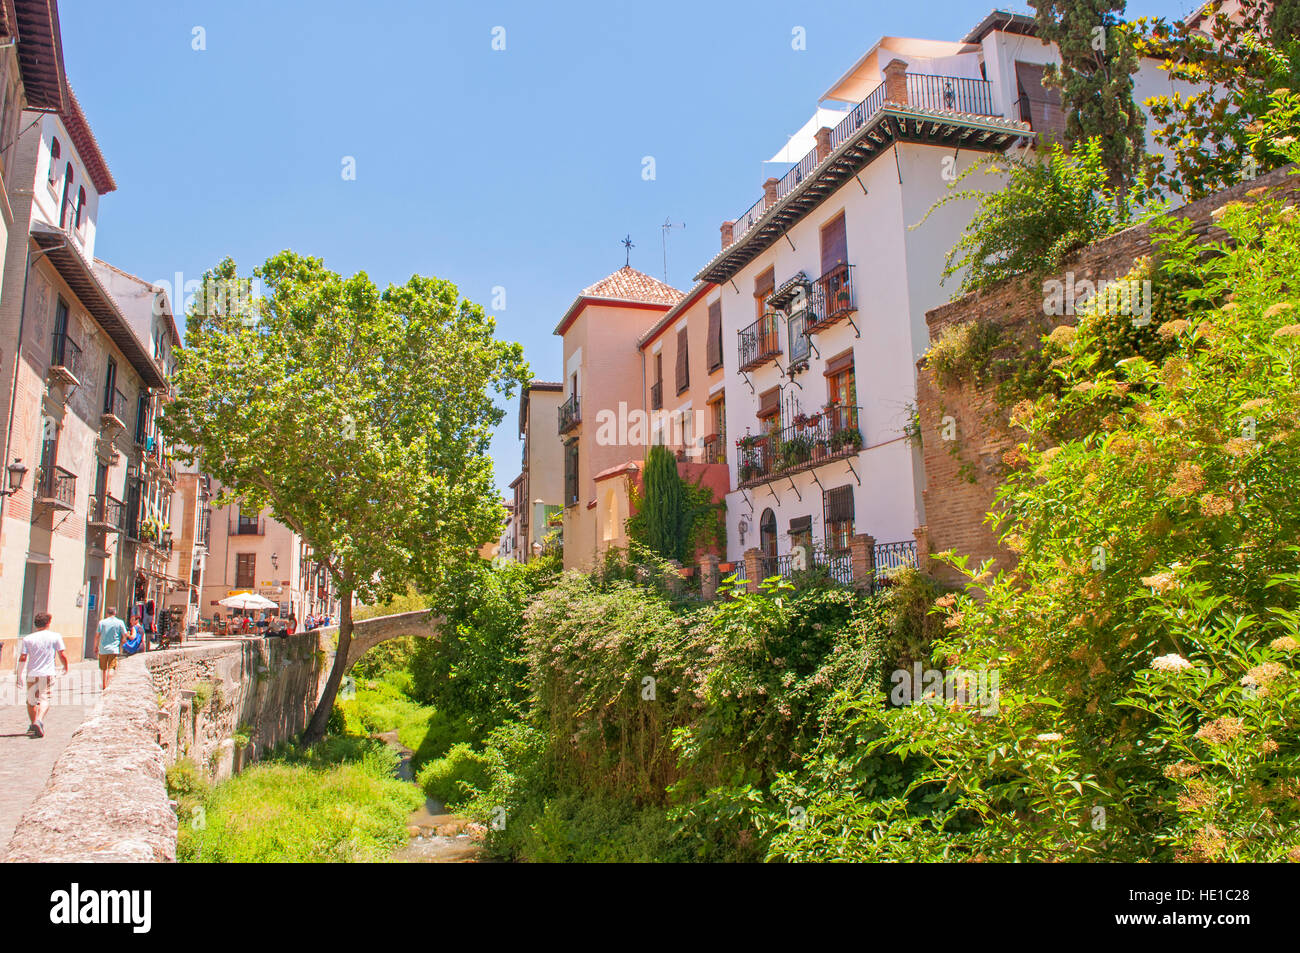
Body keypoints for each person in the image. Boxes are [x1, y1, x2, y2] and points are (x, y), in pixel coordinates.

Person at [14, 611, 68, 738]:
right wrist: (65, 667)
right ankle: (39, 720)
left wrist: (19, 675)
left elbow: (22, 658)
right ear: (48, 623)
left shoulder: (28, 638)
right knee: (45, 698)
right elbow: (62, 654)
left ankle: (33, 724)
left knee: (31, 700)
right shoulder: (55, 636)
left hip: (32, 673)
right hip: (48, 673)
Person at [96, 606, 127, 690]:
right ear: (115, 613)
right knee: (111, 668)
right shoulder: (120, 622)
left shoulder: (102, 622)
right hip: (114, 649)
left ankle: (103, 685)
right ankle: (108, 684)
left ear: (107, 613)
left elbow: (97, 635)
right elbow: (125, 634)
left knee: (103, 669)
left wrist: (95, 646)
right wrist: (122, 642)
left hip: (103, 649)